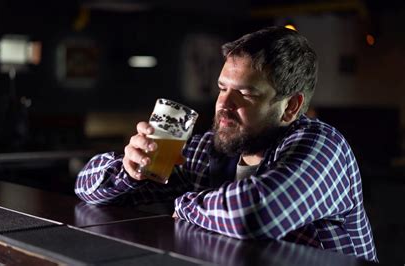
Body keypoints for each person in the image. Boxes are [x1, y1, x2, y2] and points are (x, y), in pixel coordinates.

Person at [75, 26, 377, 262]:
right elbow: (85, 187)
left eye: (245, 94)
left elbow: (254, 214)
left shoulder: (323, 147)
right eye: (222, 88)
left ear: (290, 107)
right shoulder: (213, 147)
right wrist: (130, 170)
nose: (223, 104)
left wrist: (183, 203)